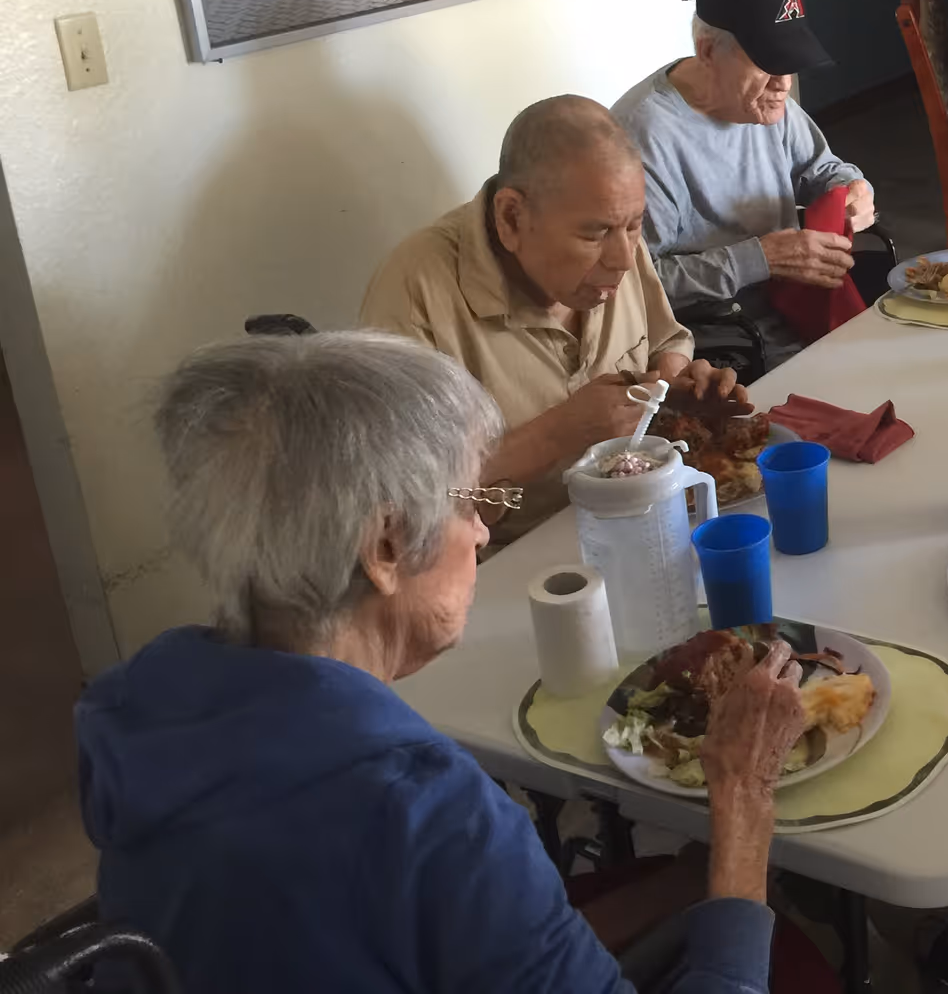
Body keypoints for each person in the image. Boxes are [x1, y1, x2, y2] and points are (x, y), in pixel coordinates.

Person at [76, 332, 807, 994]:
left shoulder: (139, 706)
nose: (484, 532)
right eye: (472, 501)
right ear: (386, 547)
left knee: (675, 888)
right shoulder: (426, 812)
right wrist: (742, 818)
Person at [361, 96, 739, 540]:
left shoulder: (615, 236)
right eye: (593, 234)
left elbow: (663, 343)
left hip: (639, 522)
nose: (622, 258)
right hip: (510, 566)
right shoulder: (415, 292)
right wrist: (556, 435)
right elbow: (401, 506)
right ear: (512, 217)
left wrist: (675, 389)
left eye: (635, 225)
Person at [611, 0, 877, 373]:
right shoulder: (642, 138)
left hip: (802, 322)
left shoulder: (768, 102)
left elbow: (825, 169)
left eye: (790, 64)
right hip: (722, 352)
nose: (784, 85)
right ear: (708, 51)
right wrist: (759, 259)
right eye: (769, 63)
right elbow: (633, 286)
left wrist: (852, 189)